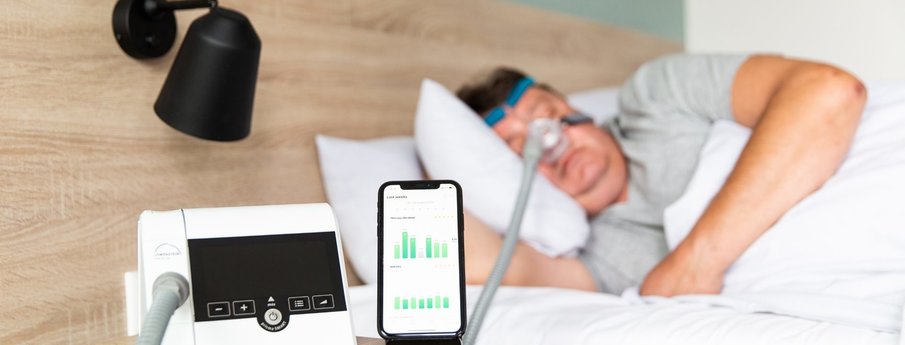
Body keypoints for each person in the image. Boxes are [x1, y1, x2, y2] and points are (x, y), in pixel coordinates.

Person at [455, 54, 866, 296]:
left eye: (546, 117)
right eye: (521, 149)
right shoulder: (596, 257)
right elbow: (484, 265)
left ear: (571, 106)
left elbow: (829, 91)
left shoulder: (655, 98)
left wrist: (697, 261)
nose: (550, 146)